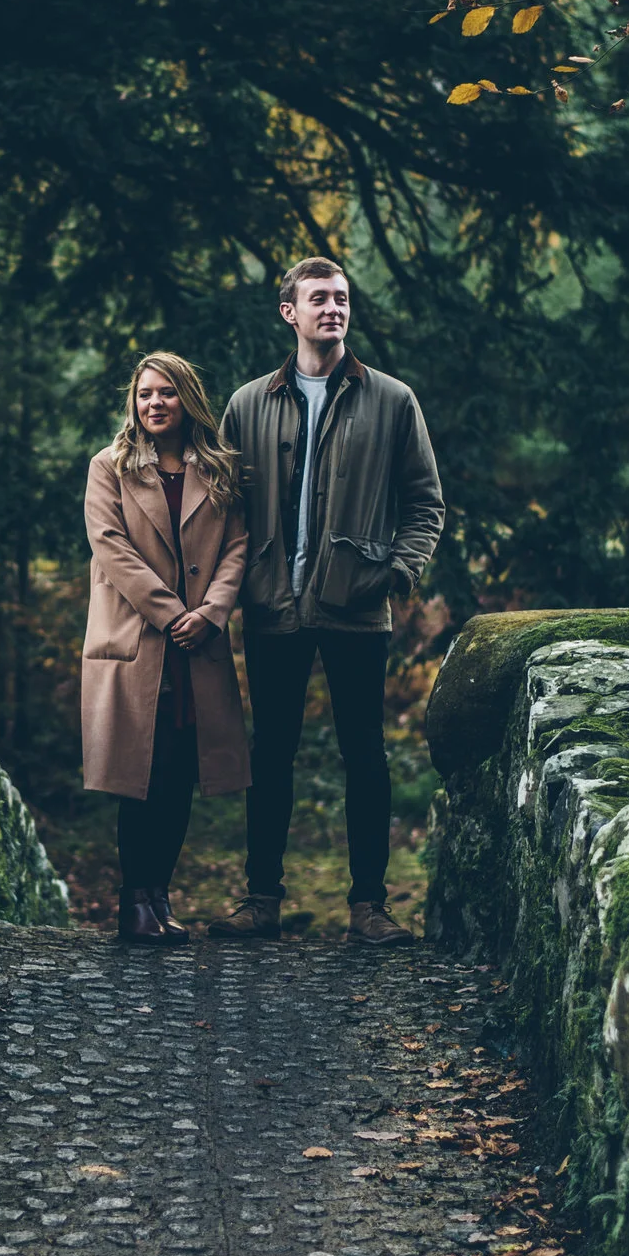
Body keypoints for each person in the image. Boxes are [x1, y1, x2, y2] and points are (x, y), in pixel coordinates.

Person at [212, 258, 444, 947]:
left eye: (342, 298)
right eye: (319, 298)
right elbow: (221, 506)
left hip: (356, 604)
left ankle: (369, 906)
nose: (333, 308)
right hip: (271, 605)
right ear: (289, 311)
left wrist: (398, 572)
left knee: (364, 754)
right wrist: (228, 585)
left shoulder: (392, 399)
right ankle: (261, 900)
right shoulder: (249, 402)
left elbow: (425, 503)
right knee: (271, 751)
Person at [81, 352, 252, 944]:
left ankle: (160, 898)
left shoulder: (220, 470)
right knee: (141, 774)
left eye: (167, 393)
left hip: (197, 645)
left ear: (188, 401)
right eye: (145, 394)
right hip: (140, 640)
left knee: (180, 774)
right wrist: (173, 612)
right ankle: (134, 903)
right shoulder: (110, 467)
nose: (155, 403)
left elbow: (238, 546)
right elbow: (110, 547)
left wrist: (212, 612)